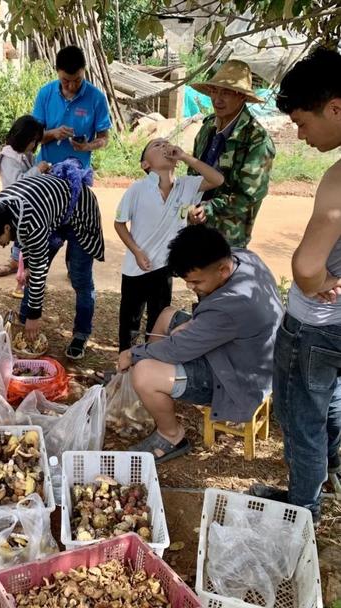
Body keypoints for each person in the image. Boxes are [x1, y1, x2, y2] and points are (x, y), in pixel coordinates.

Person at [250, 48, 341, 523]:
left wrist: (321, 277)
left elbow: (306, 268)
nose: (301, 137)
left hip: (317, 325)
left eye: (303, 124)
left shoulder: (338, 176)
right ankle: (331, 469)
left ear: (336, 107)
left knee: (302, 417)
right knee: (333, 396)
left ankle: (303, 505)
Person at [117, 225, 282, 463]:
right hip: (241, 348)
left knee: (144, 372)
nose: (191, 287)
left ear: (223, 270)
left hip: (239, 377)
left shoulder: (233, 305)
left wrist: (134, 354)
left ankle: (171, 435)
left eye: (196, 281)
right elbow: (214, 319)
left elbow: (177, 349)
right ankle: (152, 396)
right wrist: (197, 324)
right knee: (166, 316)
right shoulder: (244, 258)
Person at [0, 160, 104, 360]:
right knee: (31, 271)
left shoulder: (31, 224)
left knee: (80, 279)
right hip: (51, 212)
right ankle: (25, 323)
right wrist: (30, 267)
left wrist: (36, 315)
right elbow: (26, 242)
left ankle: (81, 334)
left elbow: (39, 268)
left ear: (6, 228)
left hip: (80, 211)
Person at [114, 138, 224, 353]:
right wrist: (136, 252)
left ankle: (150, 359)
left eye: (167, 143)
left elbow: (217, 179)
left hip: (165, 267)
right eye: (156, 145)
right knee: (129, 321)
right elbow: (119, 224)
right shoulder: (137, 189)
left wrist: (184, 156)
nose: (164, 146)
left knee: (158, 318)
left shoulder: (187, 185)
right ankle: (124, 362)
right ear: (145, 164)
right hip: (136, 267)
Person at [188, 60, 275, 248]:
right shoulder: (207, 128)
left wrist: (208, 208)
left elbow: (248, 196)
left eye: (226, 92)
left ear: (242, 97)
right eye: (214, 91)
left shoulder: (256, 140)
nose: (217, 99)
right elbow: (193, 173)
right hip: (195, 228)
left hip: (227, 239)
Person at [33, 45, 111, 169]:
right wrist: (53, 134)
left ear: (84, 70)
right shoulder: (45, 94)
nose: (72, 86)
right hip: (45, 170)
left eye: (77, 80)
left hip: (78, 173)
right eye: (65, 81)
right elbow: (34, 137)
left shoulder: (97, 98)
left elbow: (104, 138)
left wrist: (88, 146)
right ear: (57, 71)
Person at [0, 115, 51, 280]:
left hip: (27, 204)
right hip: (15, 204)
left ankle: (24, 264)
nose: (34, 145)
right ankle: (16, 263)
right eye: (32, 141)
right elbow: (16, 184)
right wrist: (37, 170)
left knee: (26, 236)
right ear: (22, 137)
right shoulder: (8, 157)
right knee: (21, 235)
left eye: (36, 141)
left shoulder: (25, 154)